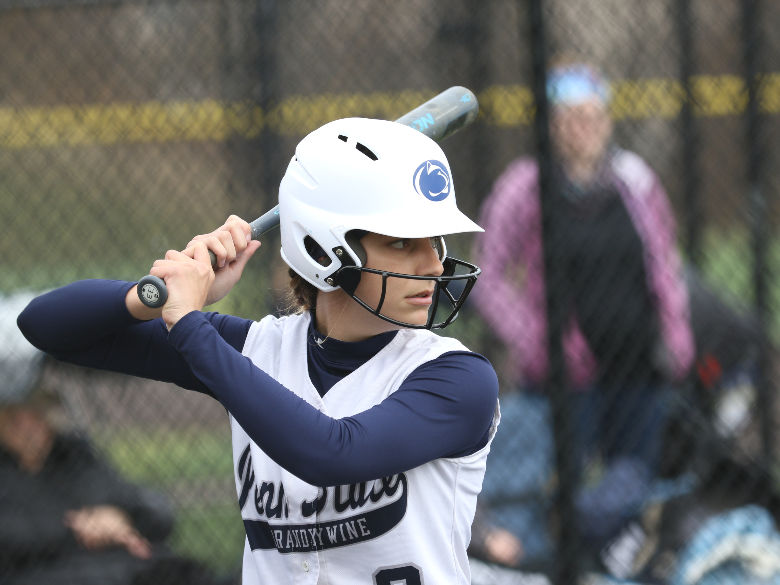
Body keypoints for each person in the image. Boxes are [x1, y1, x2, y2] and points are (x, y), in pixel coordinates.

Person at [18, 117, 500, 584]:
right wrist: (162, 295)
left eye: (434, 242)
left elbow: (332, 453)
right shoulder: (255, 350)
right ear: (324, 251)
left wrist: (189, 324)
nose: (434, 266)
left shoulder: (457, 378)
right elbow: (45, 326)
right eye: (402, 243)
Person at [470, 61, 695, 569]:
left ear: (608, 120)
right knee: (561, 491)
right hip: (564, 382)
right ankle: (553, 567)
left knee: (634, 484)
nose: (583, 127)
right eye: (570, 117)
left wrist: (675, 333)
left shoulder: (634, 181)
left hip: (639, 367)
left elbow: (664, 262)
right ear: (552, 125)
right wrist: (537, 340)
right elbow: (488, 271)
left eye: (593, 116)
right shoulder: (524, 186)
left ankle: (617, 568)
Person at [0, 292, 223, 585]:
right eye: (16, 416)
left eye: (40, 411)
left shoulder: (71, 455)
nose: (31, 425)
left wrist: (119, 519)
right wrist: (78, 529)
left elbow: (156, 513)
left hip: (128, 569)